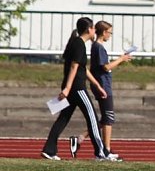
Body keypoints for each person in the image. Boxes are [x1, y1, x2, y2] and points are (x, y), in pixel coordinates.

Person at [41, 17, 110, 161]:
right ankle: (101, 153)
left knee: (63, 118)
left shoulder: (76, 43)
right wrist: (67, 88)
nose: (95, 32)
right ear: (88, 29)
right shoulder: (79, 44)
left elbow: (82, 68)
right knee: (92, 119)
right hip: (77, 88)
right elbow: (74, 67)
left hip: (72, 87)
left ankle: (49, 150)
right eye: (93, 29)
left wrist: (97, 85)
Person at [88, 20, 132, 161]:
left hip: (103, 85)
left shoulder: (97, 47)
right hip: (103, 85)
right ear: (104, 32)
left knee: (107, 118)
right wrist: (121, 59)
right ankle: (106, 150)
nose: (110, 35)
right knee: (108, 118)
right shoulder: (98, 47)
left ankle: (84, 138)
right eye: (110, 32)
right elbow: (105, 67)